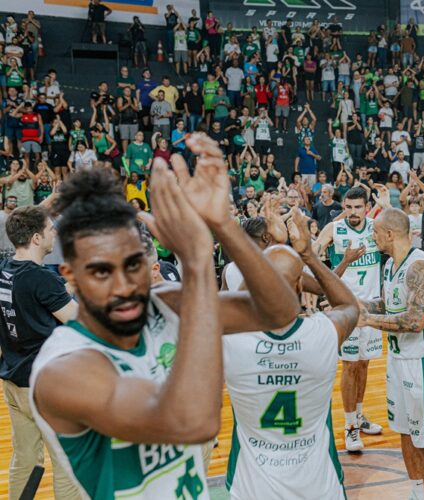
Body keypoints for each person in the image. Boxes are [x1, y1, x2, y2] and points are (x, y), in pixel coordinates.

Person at [29, 134, 301, 498]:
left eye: (133, 265)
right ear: (70, 276)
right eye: (101, 272)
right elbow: (194, 421)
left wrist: (222, 225)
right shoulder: (64, 369)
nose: (124, 286)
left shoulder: (163, 303)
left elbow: (281, 311)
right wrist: (197, 260)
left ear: (150, 261)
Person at [224, 208, 358, 499]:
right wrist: (307, 254)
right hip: (318, 485)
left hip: (252, 488)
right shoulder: (322, 334)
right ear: (300, 285)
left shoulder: (231, 340)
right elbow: (349, 306)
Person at [357, 208, 424, 500]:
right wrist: (355, 306)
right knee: (406, 432)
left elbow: (414, 321)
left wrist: (367, 320)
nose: (372, 236)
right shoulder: (389, 266)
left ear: (389, 234)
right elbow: (387, 305)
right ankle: (415, 492)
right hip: (398, 361)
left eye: (375, 232)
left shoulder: (420, 266)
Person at [0, 206, 79, 499]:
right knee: (68, 465)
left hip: (15, 382)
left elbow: (45, 297)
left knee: (25, 459)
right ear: (36, 238)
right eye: (49, 229)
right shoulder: (40, 279)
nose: (54, 232)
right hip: (46, 388)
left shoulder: (6, 269)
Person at [315, 187, 384, 451]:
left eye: (357, 207)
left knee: (364, 365)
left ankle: (359, 415)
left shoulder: (376, 227)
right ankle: (349, 426)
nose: (352, 212)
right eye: (348, 207)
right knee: (350, 367)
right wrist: (343, 261)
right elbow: (315, 262)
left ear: (366, 206)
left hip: (372, 309)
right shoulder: (333, 229)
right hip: (346, 309)